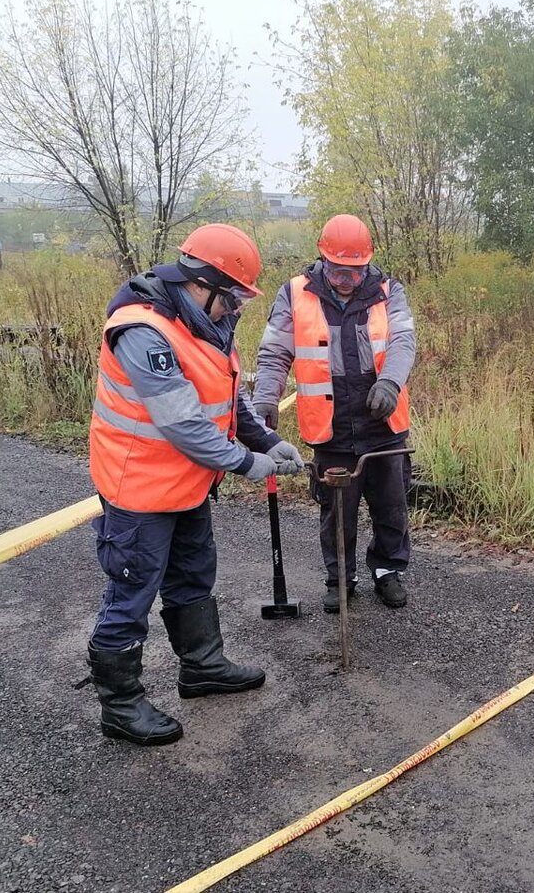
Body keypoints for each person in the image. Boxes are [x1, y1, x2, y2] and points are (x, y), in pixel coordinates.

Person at [87, 223, 306, 747]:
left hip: (186, 484)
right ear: (200, 283)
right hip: (138, 488)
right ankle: (120, 706)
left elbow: (227, 402)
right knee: (131, 592)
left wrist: (265, 440)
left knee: (191, 575)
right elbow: (183, 424)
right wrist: (249, 464)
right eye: (231, 298)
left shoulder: (205, 323)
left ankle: (202, 667)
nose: (236, 310)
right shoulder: (143, 331)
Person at [252, 214, 416, 612]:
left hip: (383, 422)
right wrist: (265, 399)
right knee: (336, 510)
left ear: (367, 265)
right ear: (322, 259)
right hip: (330, 425)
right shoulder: (294, 294)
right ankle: (340, 578)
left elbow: (403, 342)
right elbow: (275, 352)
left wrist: (390, 383)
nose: (346, 280)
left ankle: (386, 571)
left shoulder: (388, 290)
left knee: (391, 504)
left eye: (355, 272)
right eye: (339, 271)